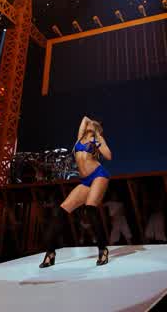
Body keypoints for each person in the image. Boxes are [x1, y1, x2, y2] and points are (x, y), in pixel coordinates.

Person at [39, 115, 112, 268]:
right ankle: (50, 253)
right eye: (89, 125)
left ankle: (103, 249)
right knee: (61, 211)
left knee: (90, 209)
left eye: (92, 125)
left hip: (99, 175)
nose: (89, 125)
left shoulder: (97, 139)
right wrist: (91, 122)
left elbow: (108, 156)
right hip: (85, 181)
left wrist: (97, 138)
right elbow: (84, 119)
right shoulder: (79, 139)